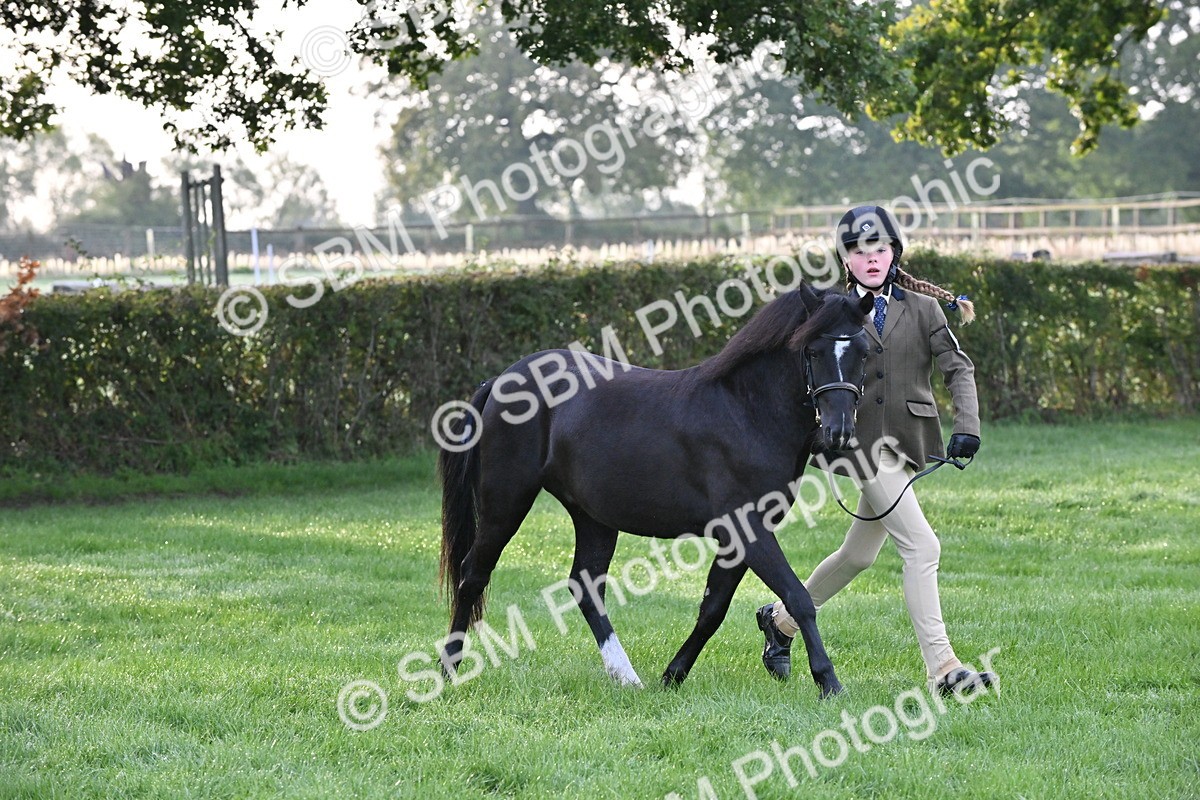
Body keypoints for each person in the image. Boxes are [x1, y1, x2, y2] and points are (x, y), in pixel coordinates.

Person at [755, 205, 996, 696]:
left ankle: (780, 621)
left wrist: (967, 425)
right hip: (859, 446)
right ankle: (944, 669)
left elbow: (958, 368)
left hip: (908, 442)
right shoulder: (832, 310)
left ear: (894, 253)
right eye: (858, 250)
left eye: (879, 248)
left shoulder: (925, 309)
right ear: (845, 259)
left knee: (858, 556)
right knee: (923, 547)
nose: (870, 257)